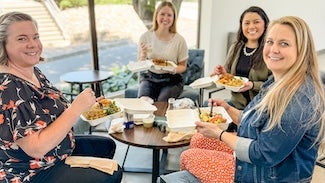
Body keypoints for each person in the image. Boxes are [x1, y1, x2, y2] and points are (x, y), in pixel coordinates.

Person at [172, 16, 325, 183]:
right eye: (270, 42)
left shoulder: (298, 99)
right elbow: (258, 123)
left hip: (267, 176)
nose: (273, 49)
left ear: (302, 50)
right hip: (260, 164)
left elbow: (263, 154)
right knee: (199, 139)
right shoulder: (276, 81)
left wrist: (220, 134)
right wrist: (228, 111)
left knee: (188, 155)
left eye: (284, 43)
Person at [0, 12, 122, 182]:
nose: (33, 44)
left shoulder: (32, 71)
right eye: (22, 39)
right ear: (3, 45)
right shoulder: (8, 87)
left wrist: (87, 106)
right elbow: (36, 148)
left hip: (58, 151)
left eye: (36, 37)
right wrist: (76, 108)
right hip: (33, 171)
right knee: (113, 174)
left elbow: (48, 112)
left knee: (106, 146)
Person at [213, 6, 271, 110]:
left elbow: (275, 84)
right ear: (242, 26)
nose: (251, 26)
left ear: (265, 25)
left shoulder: (270, 50)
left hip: (260, 107)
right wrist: (222, 73)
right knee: (209, 108)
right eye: (247, 23)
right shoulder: (236, 47)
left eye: (256, 22)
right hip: (237, 104)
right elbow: (230, 77)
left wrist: (253, 85)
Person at [137, 0, 188, 102]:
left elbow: (183, 66)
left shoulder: (180, 40)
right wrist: (143, 55)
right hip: (150, 77)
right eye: (162, 14)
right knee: (143, 101)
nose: (165, 18)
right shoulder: (146, 37)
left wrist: (172, 69)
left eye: (169, 15)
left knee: (162, 102)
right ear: (156, 16)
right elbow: (141, 64)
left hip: (172, 80)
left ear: (174, 18)